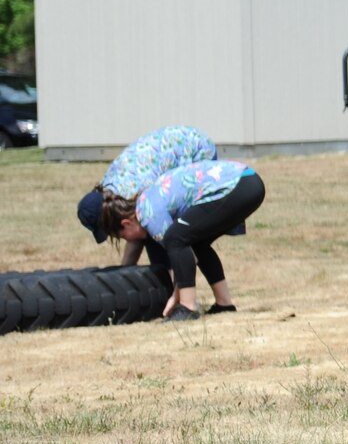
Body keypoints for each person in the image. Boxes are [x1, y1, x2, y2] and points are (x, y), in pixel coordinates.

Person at [100, 160, 263, 320]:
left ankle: (188, 307)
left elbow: (179, 248)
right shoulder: (147, 199)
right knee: (195, 241)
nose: (128, 240)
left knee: (176, 238)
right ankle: (224, 304)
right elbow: (188, 251)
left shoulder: (147, 213)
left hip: (237, 185)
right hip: (247, 181)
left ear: (126, 223)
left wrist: (176, 297)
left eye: (122, 236)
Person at [76, 125, 220, 277]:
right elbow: (135, 233)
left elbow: (150, 232)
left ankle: (183, 294)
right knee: (151, 229)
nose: (118, 236)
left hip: (195, 150)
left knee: (175, 234)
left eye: (118, 233)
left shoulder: (133, 193)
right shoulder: (112, 194)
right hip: (175, 147)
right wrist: (123, 277)